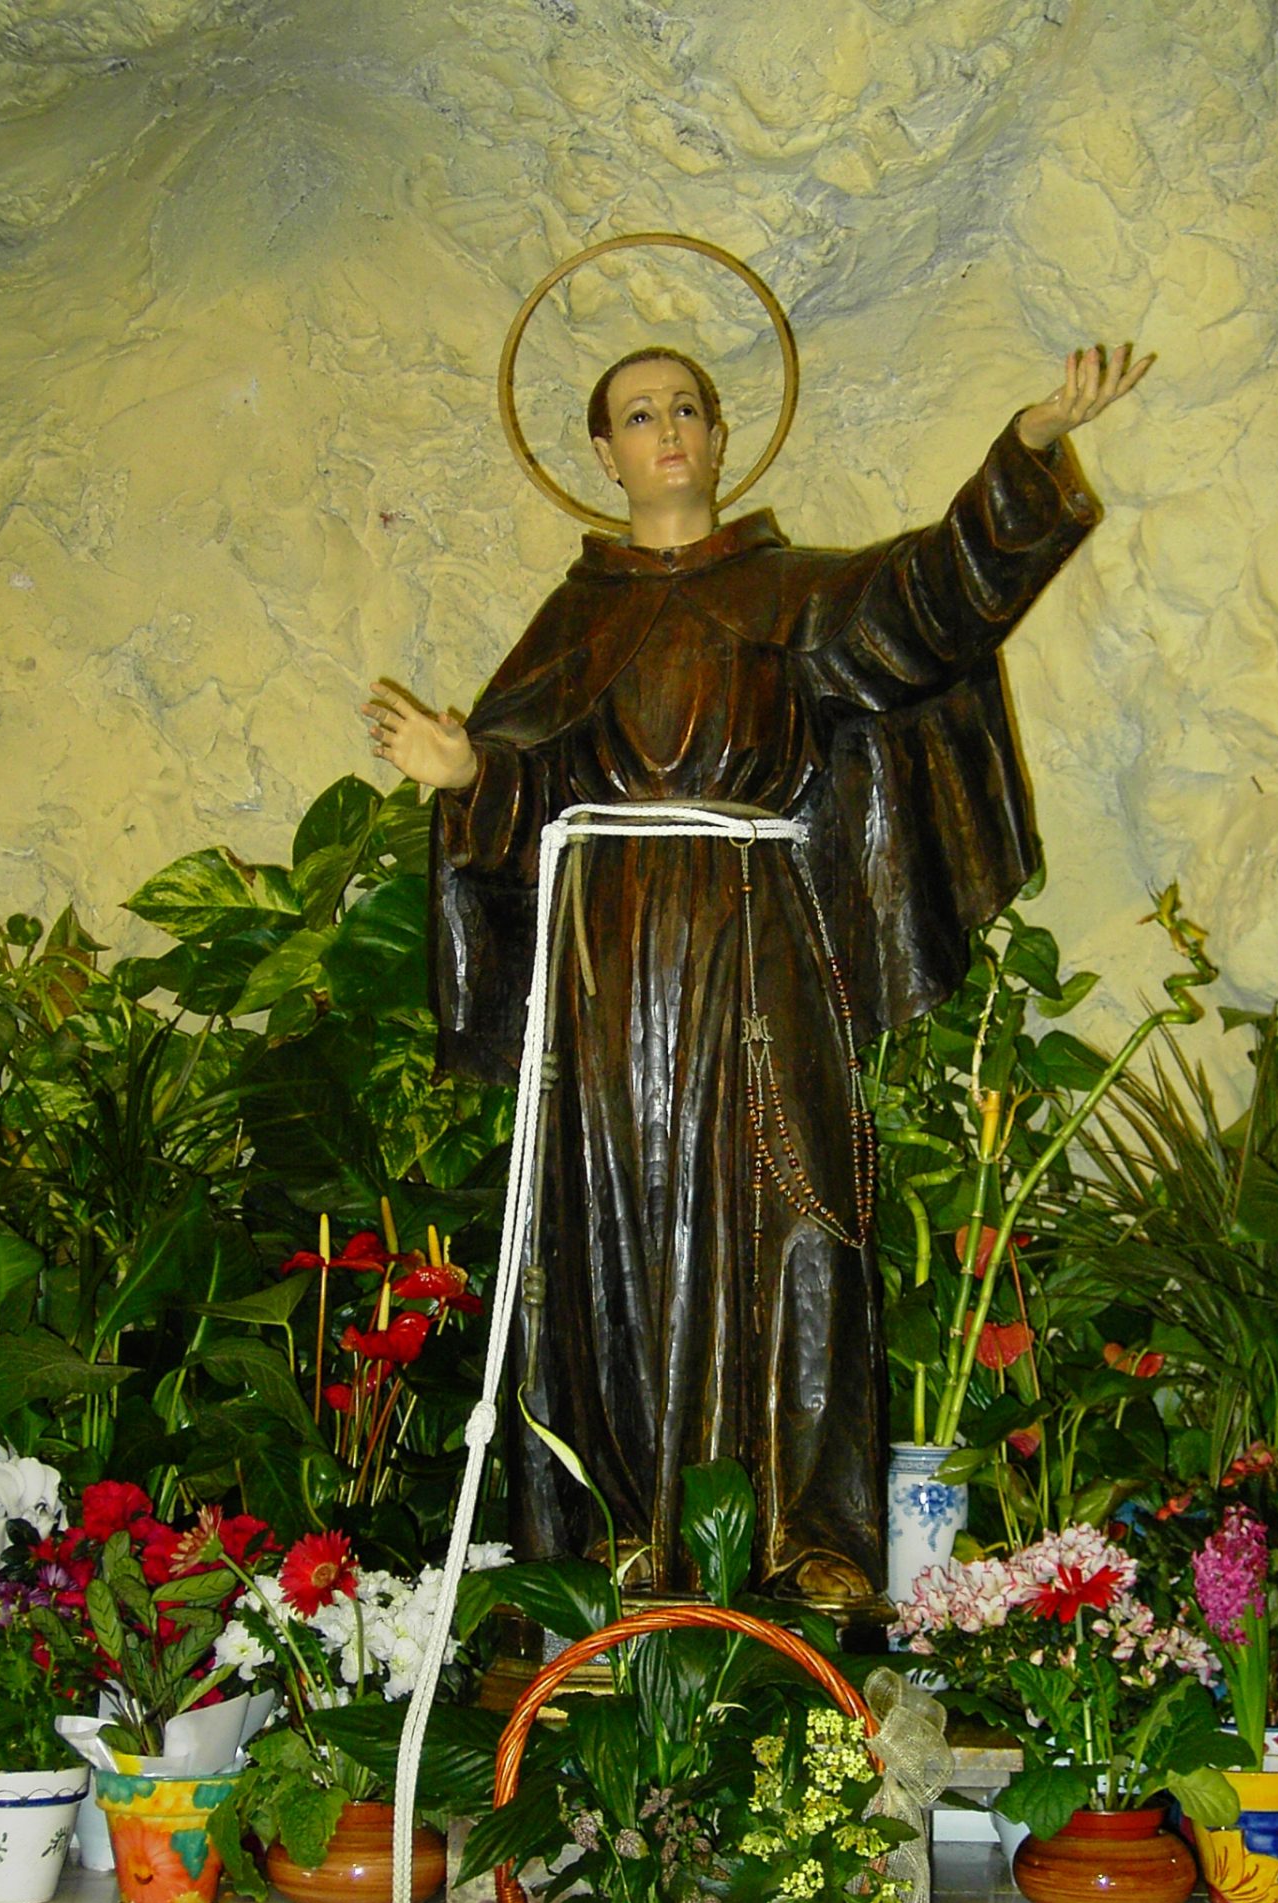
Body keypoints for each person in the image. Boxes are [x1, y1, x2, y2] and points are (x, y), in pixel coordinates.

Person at [364, 342, 1151, 1599]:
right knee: (617, 1230)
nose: (667, 428)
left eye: (687, 408)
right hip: (613, 971)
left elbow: (935, 602)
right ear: (604, 454)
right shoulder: (572, 625)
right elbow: (534, 798)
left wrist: (1033, 445)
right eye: (639, 414)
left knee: (795, 1218)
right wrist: (469, 775)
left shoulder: (797, 598)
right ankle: (624, 1545)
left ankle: (802, 1545)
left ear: (723, 438)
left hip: (759, 946)